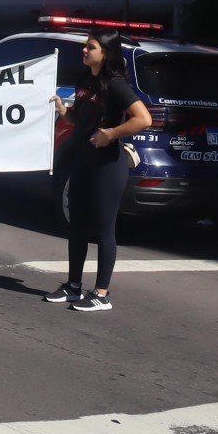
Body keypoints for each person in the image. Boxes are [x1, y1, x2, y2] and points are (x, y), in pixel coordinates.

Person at [47, 29, 152, 313]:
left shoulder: (115, 85)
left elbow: (144, 119)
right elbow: (80, 119)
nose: (84, 51)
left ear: (105, 54)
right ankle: (73, 286)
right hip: (82, 160)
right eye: (85, 46)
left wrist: (112, 133)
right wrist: (62, 110)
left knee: (104, 228)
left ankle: (101, 294)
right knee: (77, 225)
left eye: (90, 47)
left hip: (107, 165)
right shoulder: (86, 80)